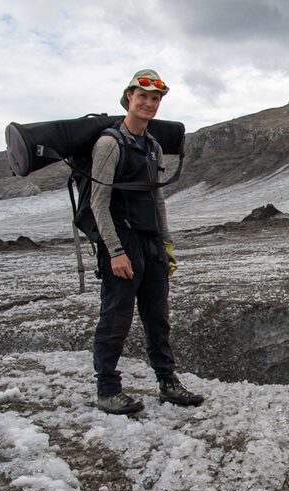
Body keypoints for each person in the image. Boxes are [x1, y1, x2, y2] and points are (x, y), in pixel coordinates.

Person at [91, 68, 203, 415]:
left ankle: (168, 382)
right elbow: (98, 201)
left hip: (151, 241)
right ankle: (107, 389)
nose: (149, 103)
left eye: (155, 98)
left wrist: (166, 245)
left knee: (158, 315)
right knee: (116, 316)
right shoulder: (110, 143)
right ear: (129, 97)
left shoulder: (152, 146)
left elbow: (157, 200)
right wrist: (115, 251)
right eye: (143, 96)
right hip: (123, 241)